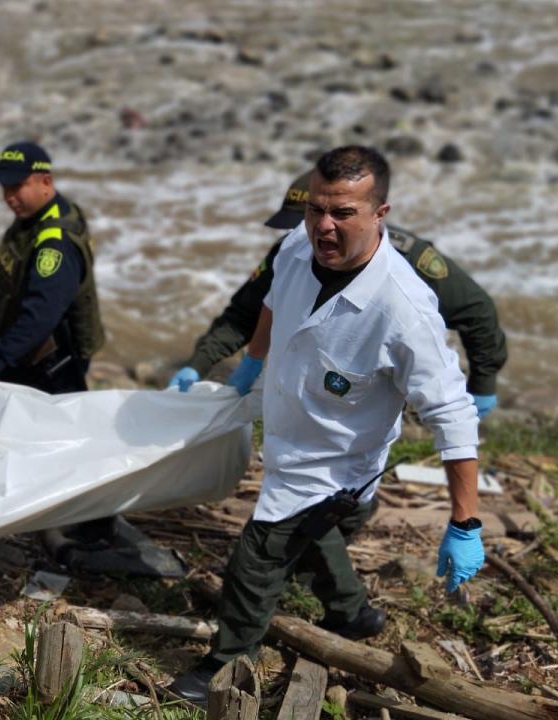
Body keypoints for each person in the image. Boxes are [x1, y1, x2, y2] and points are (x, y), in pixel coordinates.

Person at [167, 146, 485, 702]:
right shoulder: (296, 246)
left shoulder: (403, 309)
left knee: (256, 561)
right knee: (316, 542)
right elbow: (270, 300)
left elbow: (452, 417)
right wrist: (251, 363)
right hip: (290, 438)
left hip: (338, 464)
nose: (324, 226)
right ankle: (353, 613)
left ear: (380, 214)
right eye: (317, 209)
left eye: (343, 213)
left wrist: (465, 524)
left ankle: (225, 664)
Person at [170, 170, 507, 418]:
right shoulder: (288, 252)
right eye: (304, 222)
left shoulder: (404, 261)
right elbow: (245, 313)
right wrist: (198, 363)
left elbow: (476, 311)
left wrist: (483, 384)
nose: (312, 234)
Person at [0, 141, 105, 396]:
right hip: (28, 351)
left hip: (52, 364)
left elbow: (42, 313)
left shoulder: (55, 244)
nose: (9, 196)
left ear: (46, 182)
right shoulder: (38, 214)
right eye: (5, 187)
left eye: (17, 186)